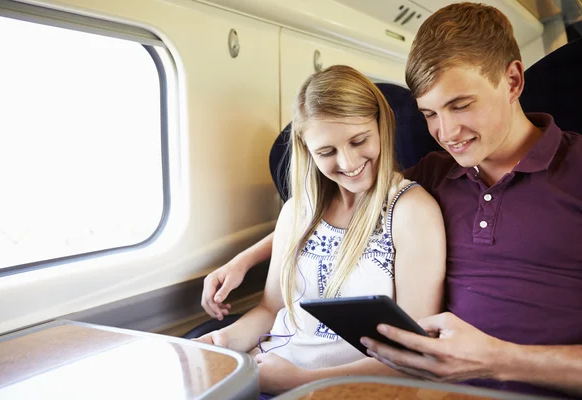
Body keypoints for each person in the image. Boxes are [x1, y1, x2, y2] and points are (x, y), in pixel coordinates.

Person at [201, 3, 582, 398]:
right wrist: (246, 258)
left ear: (514, 81)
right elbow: (337, 212)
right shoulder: (437, 171)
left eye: (461, 105)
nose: (447, 132)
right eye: (430, 113)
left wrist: (500, 359)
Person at [196, 65, 446, 396]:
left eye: (359, 141)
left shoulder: (411, 212)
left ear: (381, 126)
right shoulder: (296, 211)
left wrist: (299, 381)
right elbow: (271, 310)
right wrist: (220, 341)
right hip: (269, 371)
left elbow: (416, 354)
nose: (348, 161)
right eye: (327, 152)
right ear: (307, 150)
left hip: (347, 390)